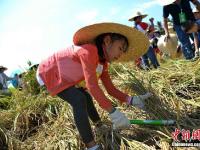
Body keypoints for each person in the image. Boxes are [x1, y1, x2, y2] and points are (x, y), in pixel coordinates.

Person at [36, 22, 153, 150]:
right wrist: (113, 112)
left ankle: (99, 125)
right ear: (107, 41)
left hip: (68, 76)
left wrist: (132, 100)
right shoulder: (89, 51)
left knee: (85, 96)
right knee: (79, 99)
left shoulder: (102, 64)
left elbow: (111, 89)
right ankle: (91, 146)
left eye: (123, 51)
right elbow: (92, 86)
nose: (121, 54)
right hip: (50, 71)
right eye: (120, 48)